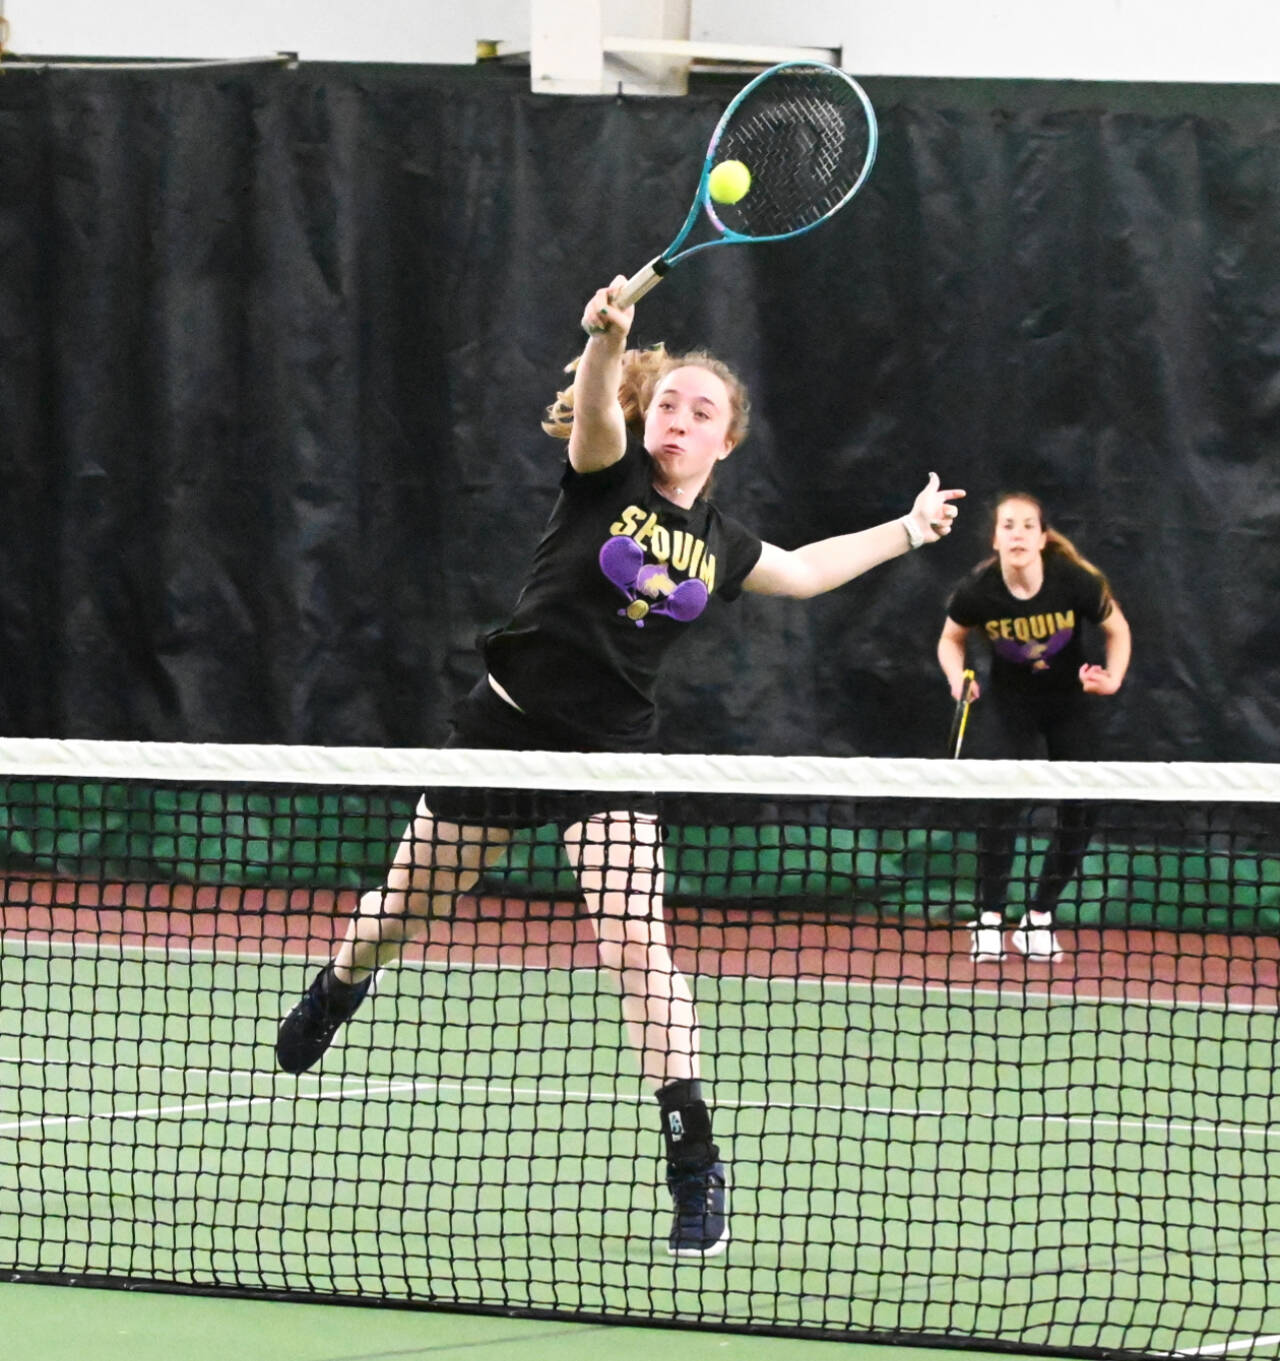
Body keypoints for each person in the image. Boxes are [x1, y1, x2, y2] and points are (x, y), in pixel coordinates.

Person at [276, 275, 965, 1259]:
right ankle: (341, 981)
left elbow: (806, 573)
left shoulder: (717, 543)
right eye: (670, 402)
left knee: (638, 943)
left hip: (608, 755)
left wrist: (906, 528)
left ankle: (693, 1164)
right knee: (399, 913)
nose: (679, 419)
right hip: (503, 732)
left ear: (726, 440)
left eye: (702, 411)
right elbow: (596, 408)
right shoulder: (606, 477)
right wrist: (605, 340)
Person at [936, 492, 1131, 963]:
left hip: (1068, 704)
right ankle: (988, 919)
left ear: (1042, 539)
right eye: (1008, 525)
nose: (1018, 534)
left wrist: (1113, 679)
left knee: (1082, 810)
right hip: (1011, 706)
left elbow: (1118, 629)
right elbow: (950, 639)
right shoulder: (979, 591)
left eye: (1027, 526)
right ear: (996, 538)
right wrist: (957, 680)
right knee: (1002, 806)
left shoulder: (1074, 582)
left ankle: (1038, 918)